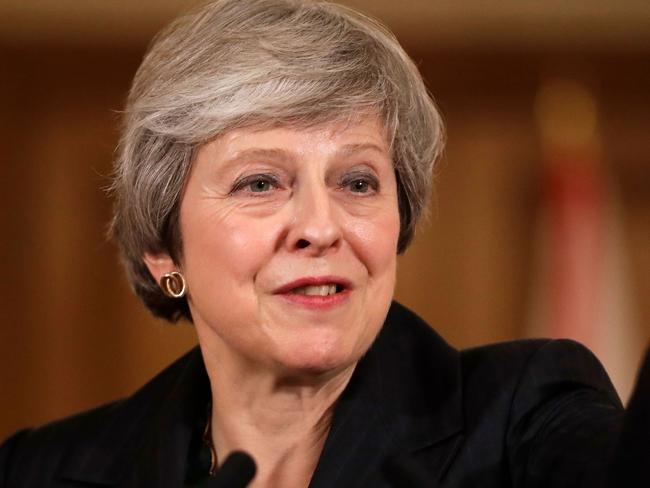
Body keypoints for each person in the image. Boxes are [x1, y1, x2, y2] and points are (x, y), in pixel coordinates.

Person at [0, 0, 642, 486]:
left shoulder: (527, 417)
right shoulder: (41, 470)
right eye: (259, 182)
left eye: (357, 182)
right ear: (164, 251)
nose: (320, 225)